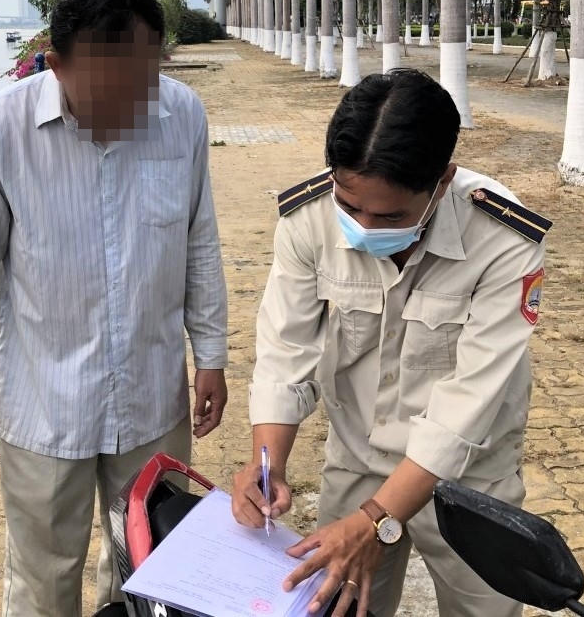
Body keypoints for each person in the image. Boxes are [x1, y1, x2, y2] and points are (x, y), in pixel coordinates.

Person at [0, 0, 228, 617]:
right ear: (56, 64)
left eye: (140, 86)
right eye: (106, 92)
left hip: (152, 397)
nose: (125, 110)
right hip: (45, 407)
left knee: (151, 569)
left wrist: (211, 353)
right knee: (43, 582)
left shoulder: (182, 116)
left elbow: (198, 241)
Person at [232, 69, 551, 617]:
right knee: (336, 607)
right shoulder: (309, 219)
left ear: (442, 181)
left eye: (390, 216)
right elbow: (286, 353)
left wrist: (377, 520)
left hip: (468, 480)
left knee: (483, 611)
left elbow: (466, 406)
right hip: (357, 461)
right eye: (350, 206)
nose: (365, 227)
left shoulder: (502, 239)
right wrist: (268, 464)